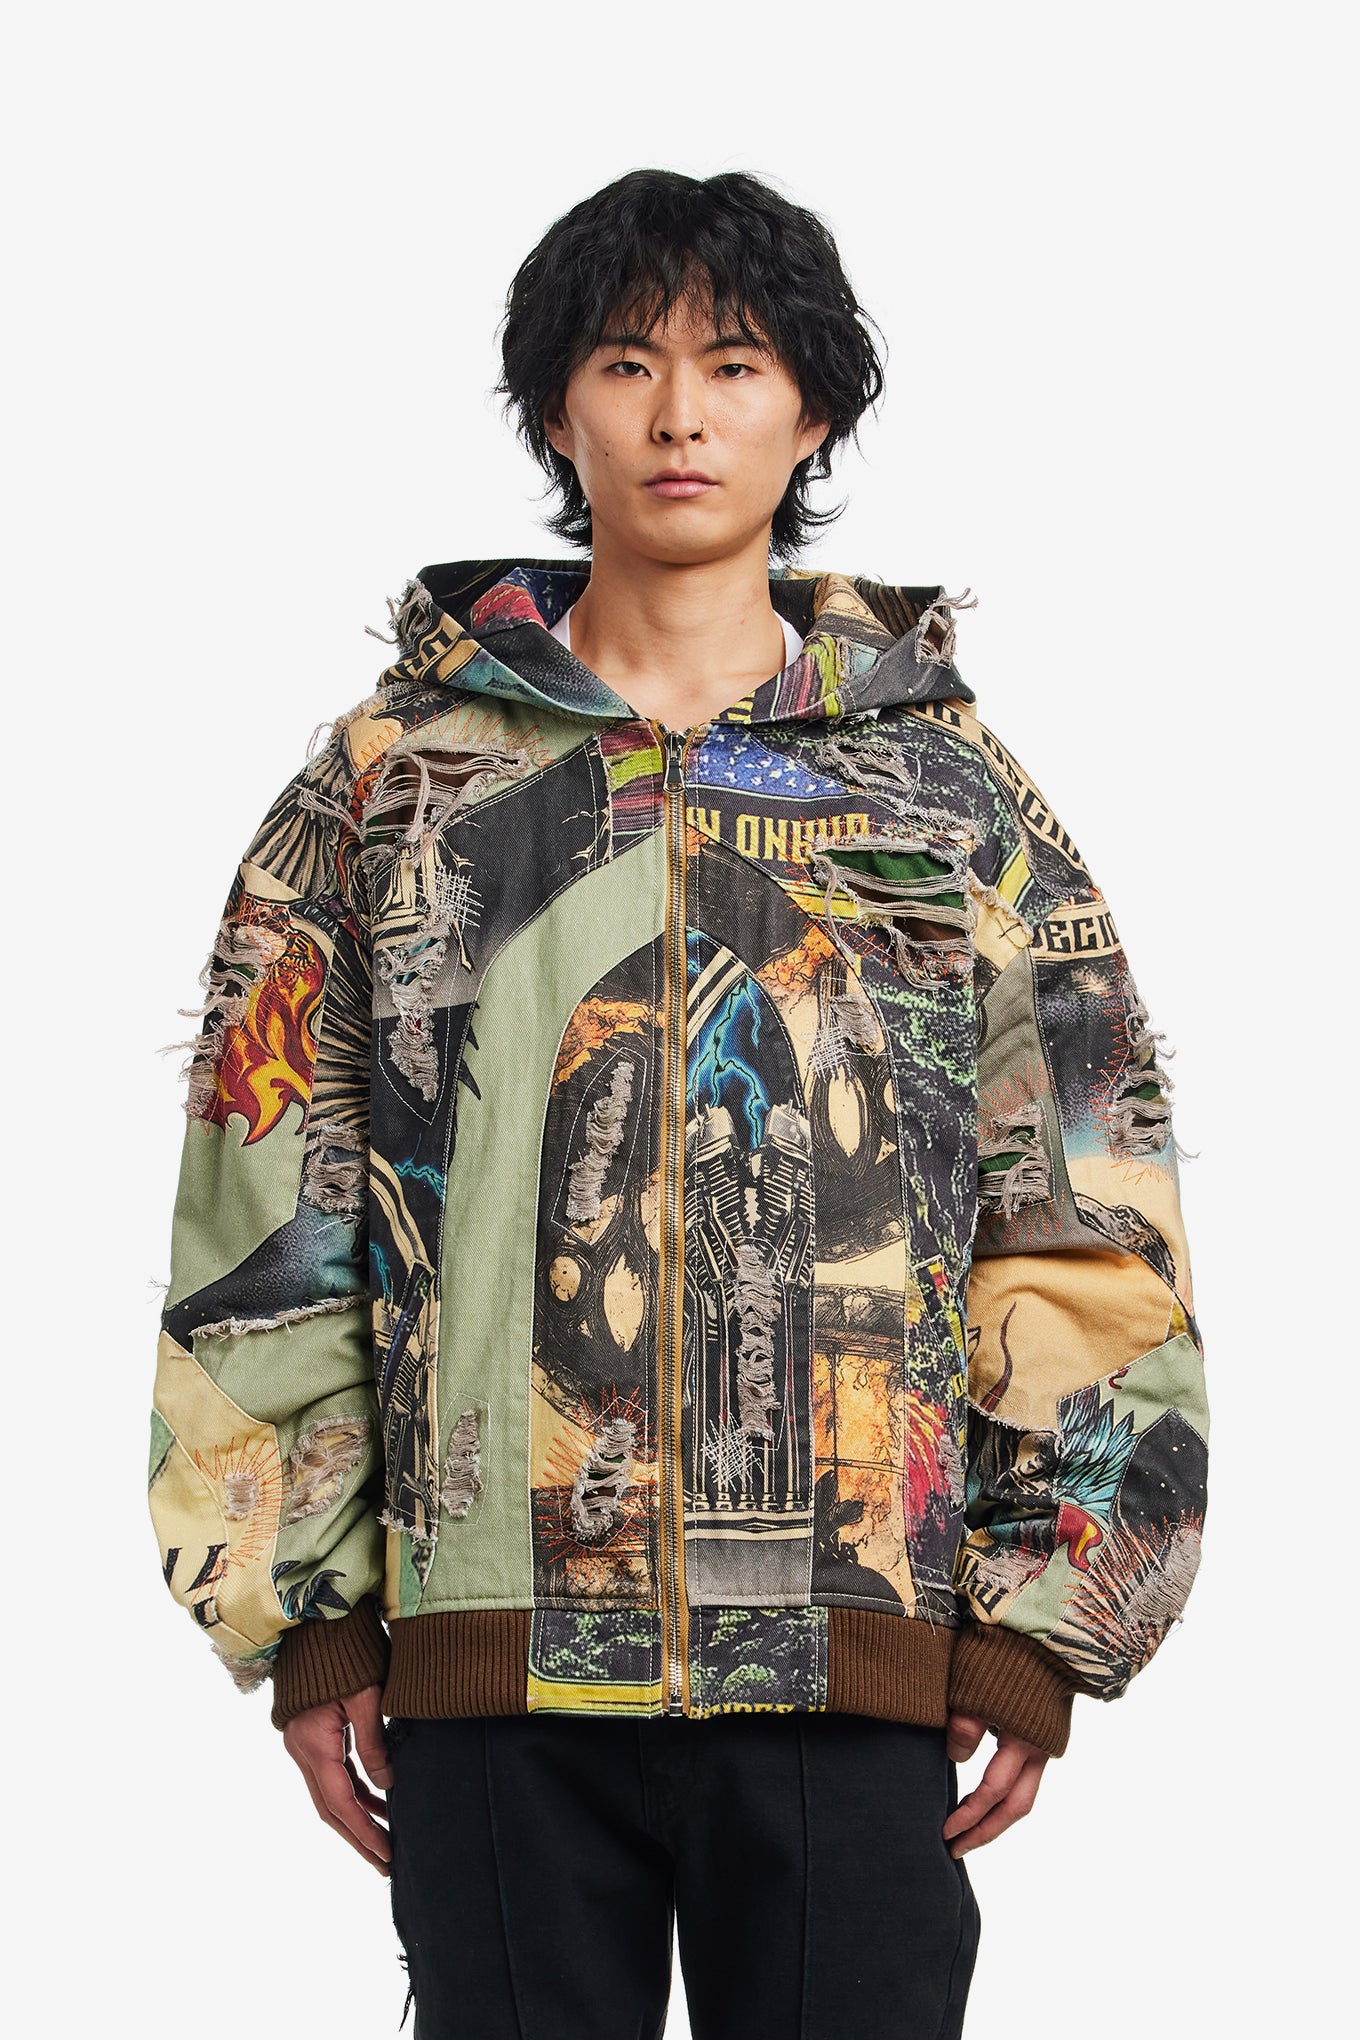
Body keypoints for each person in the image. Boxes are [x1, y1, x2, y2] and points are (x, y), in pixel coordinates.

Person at [148, 167, 1208, 2039]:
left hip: (850, 1651)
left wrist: (1046, 1618)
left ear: (815, 414)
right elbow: (273, 1192)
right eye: (626, 365)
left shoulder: (946, 796)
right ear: (556, 412)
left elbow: (1082, 1202)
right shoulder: (395, 784)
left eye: (735, 366)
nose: (679, 416)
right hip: (491, 1657)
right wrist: (306, 1609)